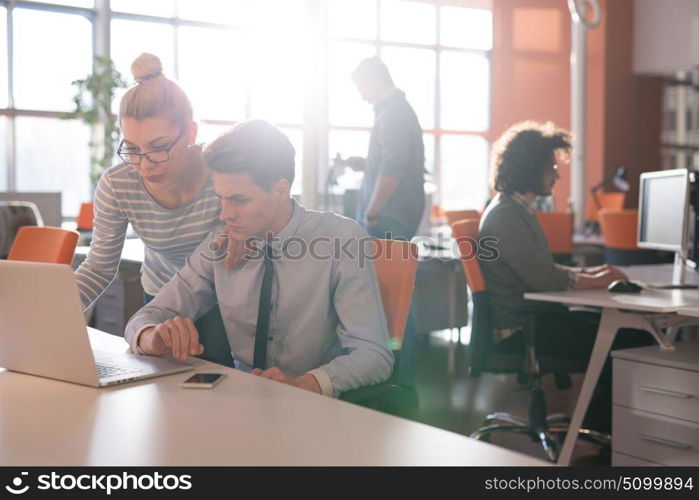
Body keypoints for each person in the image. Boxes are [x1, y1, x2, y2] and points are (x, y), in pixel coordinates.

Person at [124, 120, 393, 396]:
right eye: (221, 198)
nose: (225, 214)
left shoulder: (342, 240)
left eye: (239, 200)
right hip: (241, 400)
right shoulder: (220, 243)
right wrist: (151, 338)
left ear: (280, 190)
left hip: (315, 406)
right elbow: (146, 317)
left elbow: (373, 354)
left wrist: (307, 383)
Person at [479, 120, 652, 432]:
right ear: (531, 168)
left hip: (531, 318)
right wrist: (596, 280)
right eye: (551, 167)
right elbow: (545, 279)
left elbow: (544, 270)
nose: (557, 175)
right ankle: (606, 429)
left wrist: (589, 273)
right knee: (627, 338)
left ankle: (601, 425)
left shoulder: (515, 210)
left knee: (617, 329)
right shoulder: (506, 216)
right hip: (523, 329)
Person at [74, 53, 220, 310]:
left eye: (159, 147)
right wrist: (52, 313)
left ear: (190, 133)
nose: (144, 164)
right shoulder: (118, 185)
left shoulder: (222, 170)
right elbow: (98, 269)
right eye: (132, 148)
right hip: (162, 299)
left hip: (228, 297)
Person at [346, 57, 425, 387]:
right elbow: (389, 163)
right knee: (395, 296)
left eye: (361, 87)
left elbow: (392, 170)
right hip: (392, 216)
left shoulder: (393, 113)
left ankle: (400, 377)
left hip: (388, 218)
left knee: (393, 299)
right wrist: (366, 163)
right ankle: (399, 371)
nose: (362, 96)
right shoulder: (393, 113)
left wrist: (372, 212)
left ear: (375, 79)